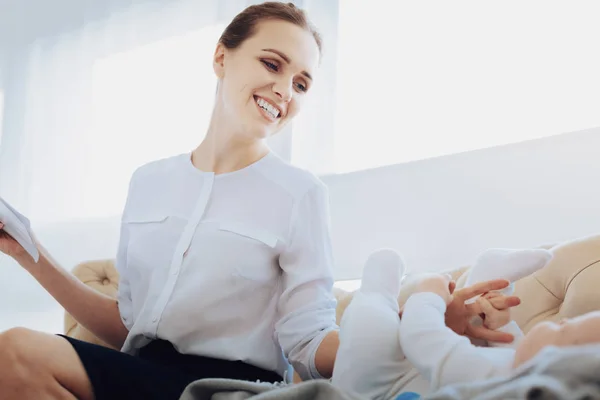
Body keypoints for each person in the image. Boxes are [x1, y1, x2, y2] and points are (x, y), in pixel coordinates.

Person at [0, 2, 523, 400]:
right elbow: (128, 326)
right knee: (14, 354)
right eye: (272, 64)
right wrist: (28, 253)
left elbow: (310, 344)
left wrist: (427, 323)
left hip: (232, 386)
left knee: (18, 349)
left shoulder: (298, 194)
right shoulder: (148, 182)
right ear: (221, 57)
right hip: (143, 373)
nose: (284, 90)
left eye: (301, 82)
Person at [332, 247, 549, 399]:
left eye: (567, 328)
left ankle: (377, 288)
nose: (565, 321)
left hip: (370, 393)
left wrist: (429, 293)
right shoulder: (531, 376)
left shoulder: (538, 377)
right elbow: (516, 361)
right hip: (434, 379)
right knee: (479, 334)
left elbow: (422, 338)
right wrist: (501, 326)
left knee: (368, 331)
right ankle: (489, 282)